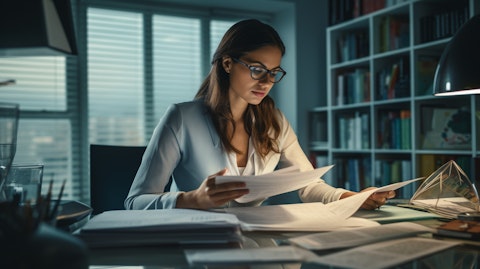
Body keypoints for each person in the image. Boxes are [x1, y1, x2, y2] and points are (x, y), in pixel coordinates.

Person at [124, 19, 395, 211]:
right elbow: (135, 201)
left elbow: (308, 184)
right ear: (228, 63)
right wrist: (192, 199)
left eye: (274, 72)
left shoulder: (275, 122)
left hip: (254, 239)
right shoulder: (182, 118)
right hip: (196, 241)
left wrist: (351, 197)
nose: (266, 81)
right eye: (256, 68)